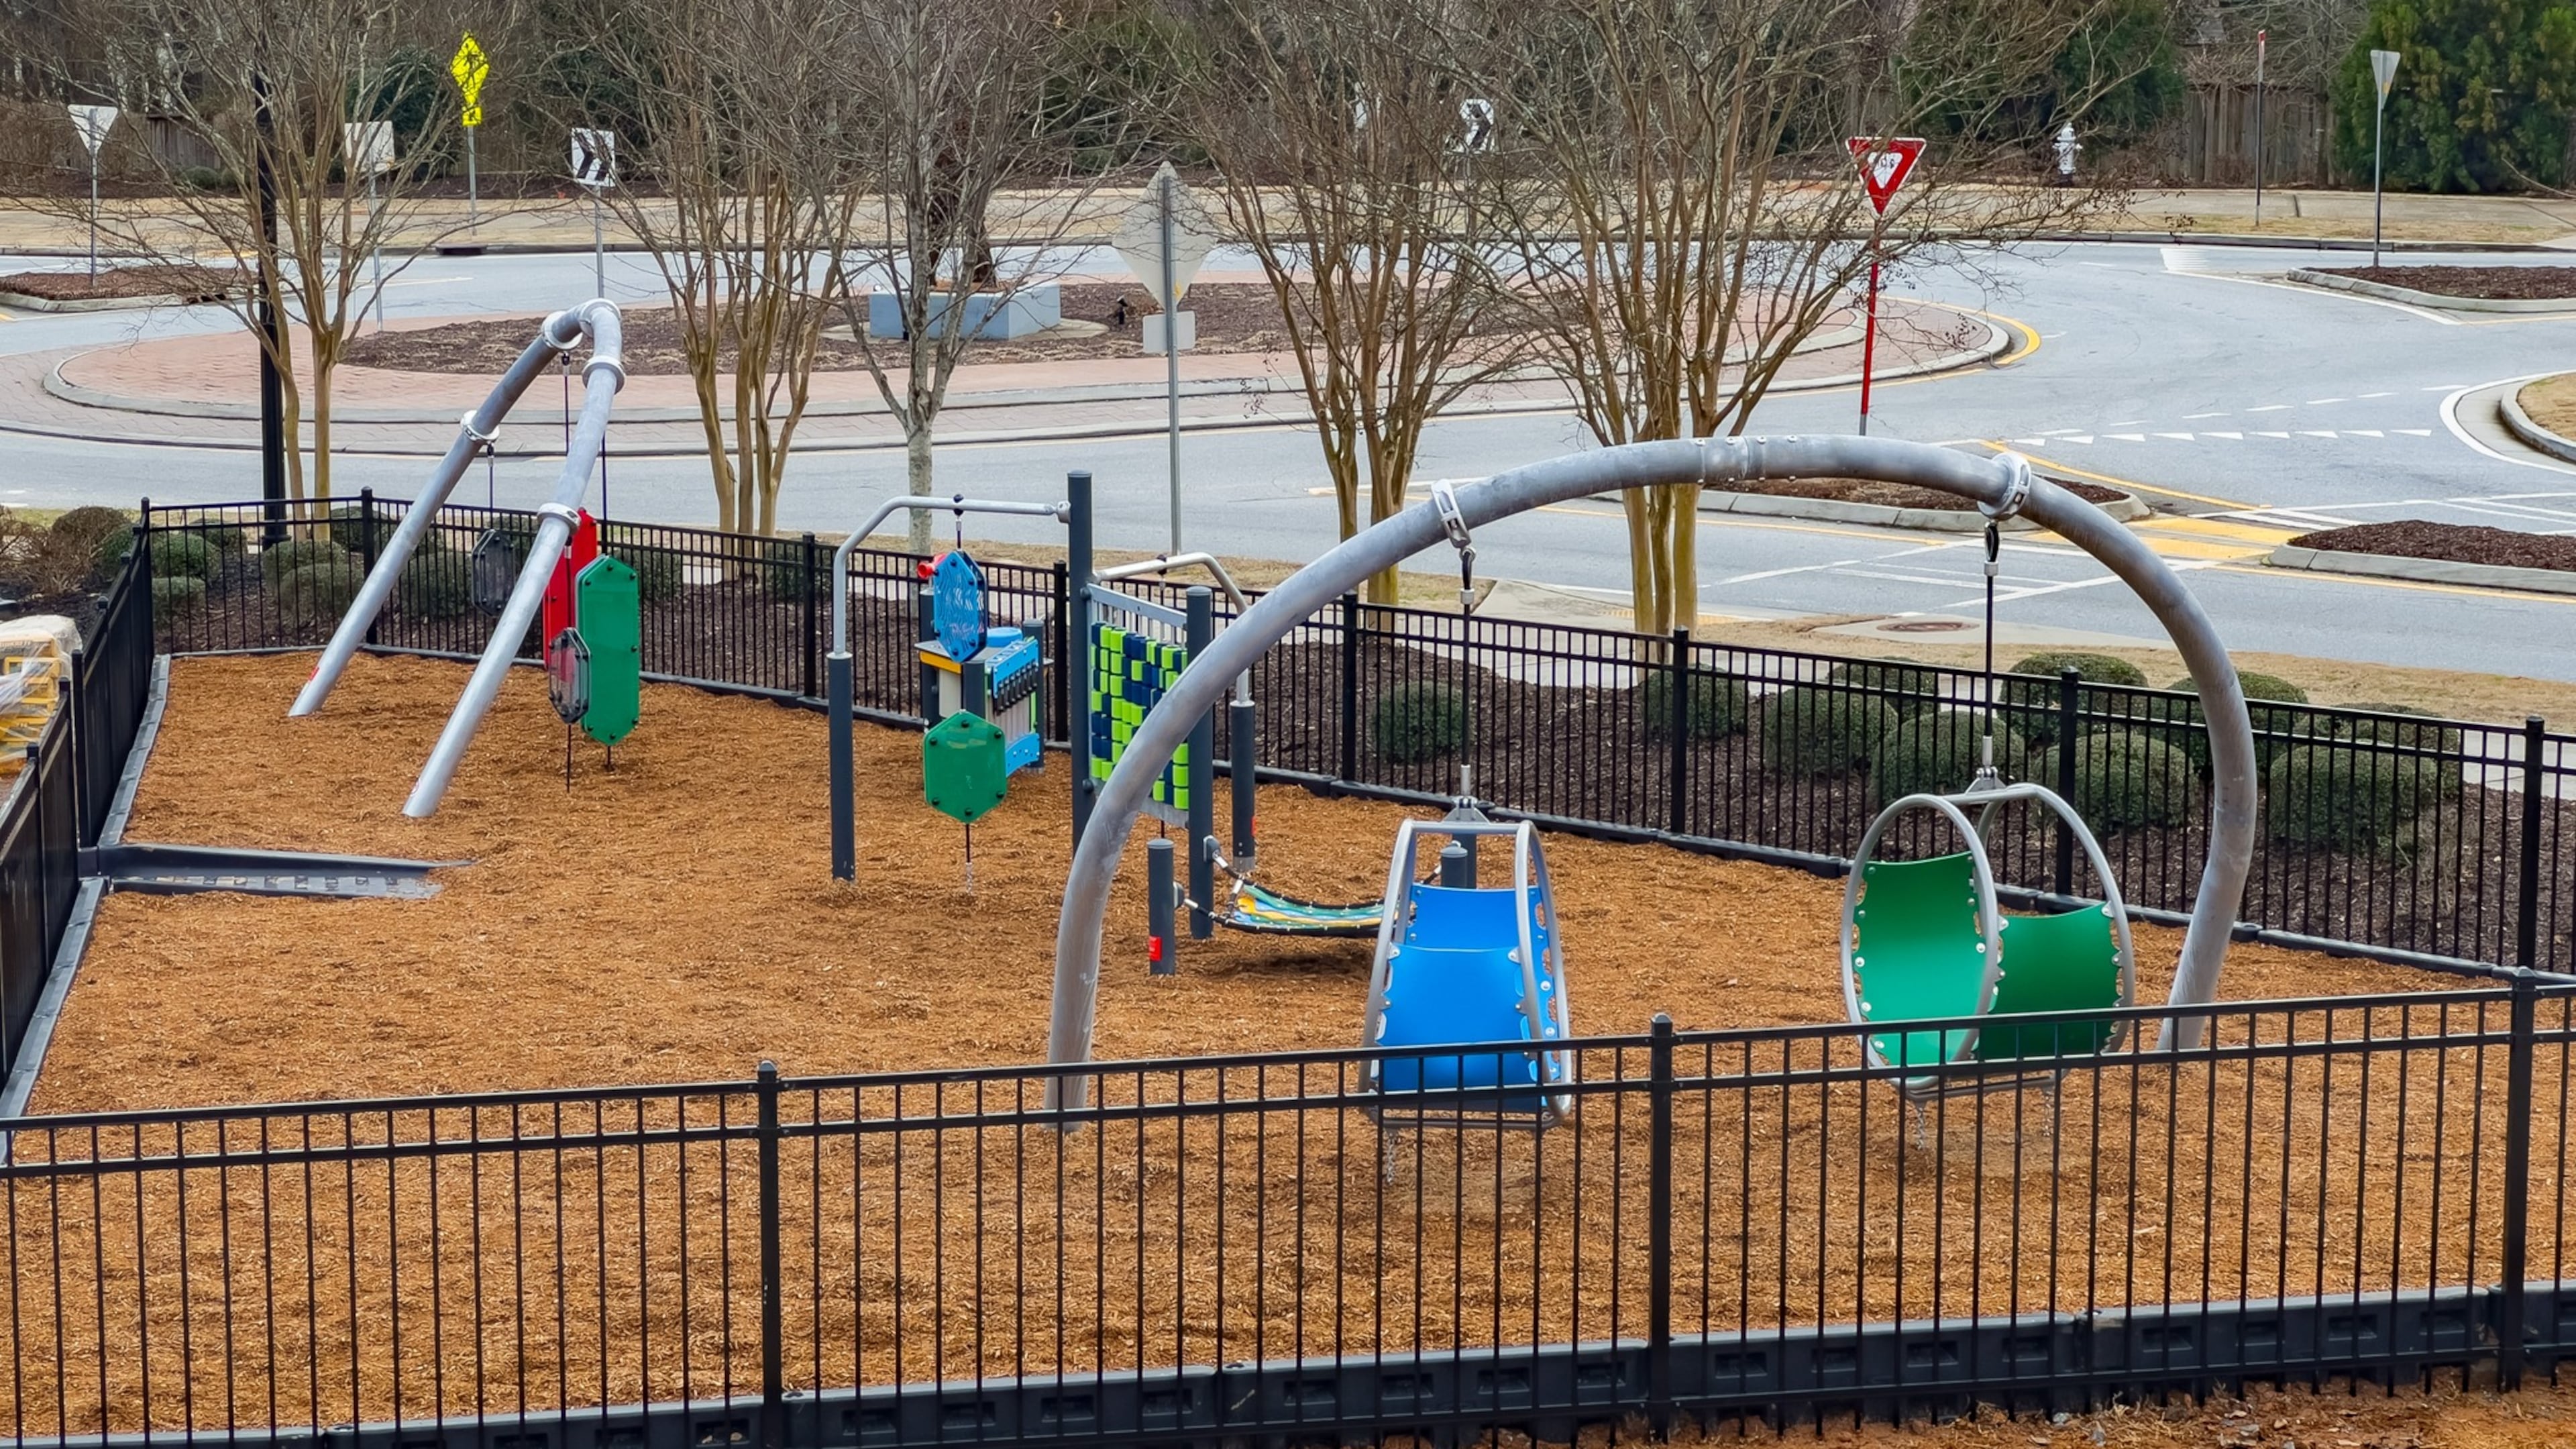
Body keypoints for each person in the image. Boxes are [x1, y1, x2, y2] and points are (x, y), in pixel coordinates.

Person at [2053, 123, 2081, 187]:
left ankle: (2067, 179)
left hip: (2068, 163)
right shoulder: (2065, 144)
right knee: (2065, 165)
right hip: (2064, 163)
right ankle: (2065, 179)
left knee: (2067, 165)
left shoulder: (2069, 145)